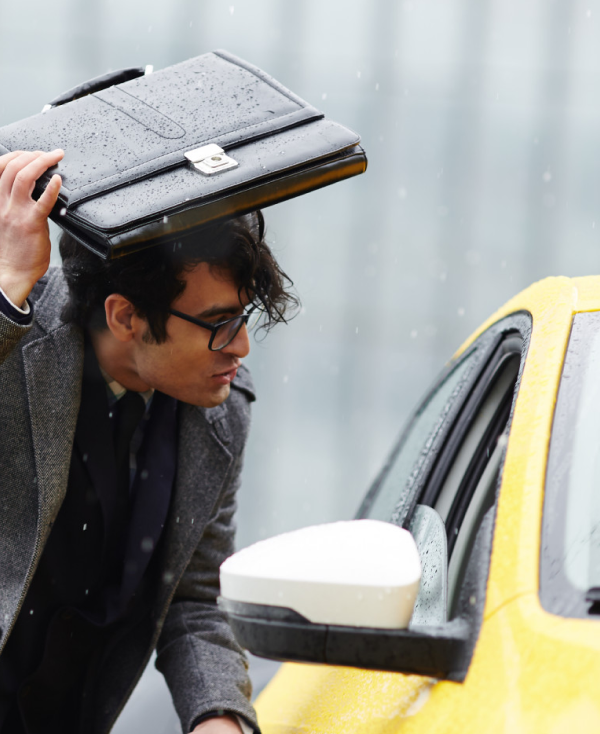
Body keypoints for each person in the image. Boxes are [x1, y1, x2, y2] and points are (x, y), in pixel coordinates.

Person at [0, 149, 297, 734]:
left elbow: (193, 597)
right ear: (124, 317)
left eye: (243, 317)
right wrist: (7, 285)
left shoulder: (222, 410)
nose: (240, 347)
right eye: (219, 323)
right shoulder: (15, 339)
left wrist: (220, 716)